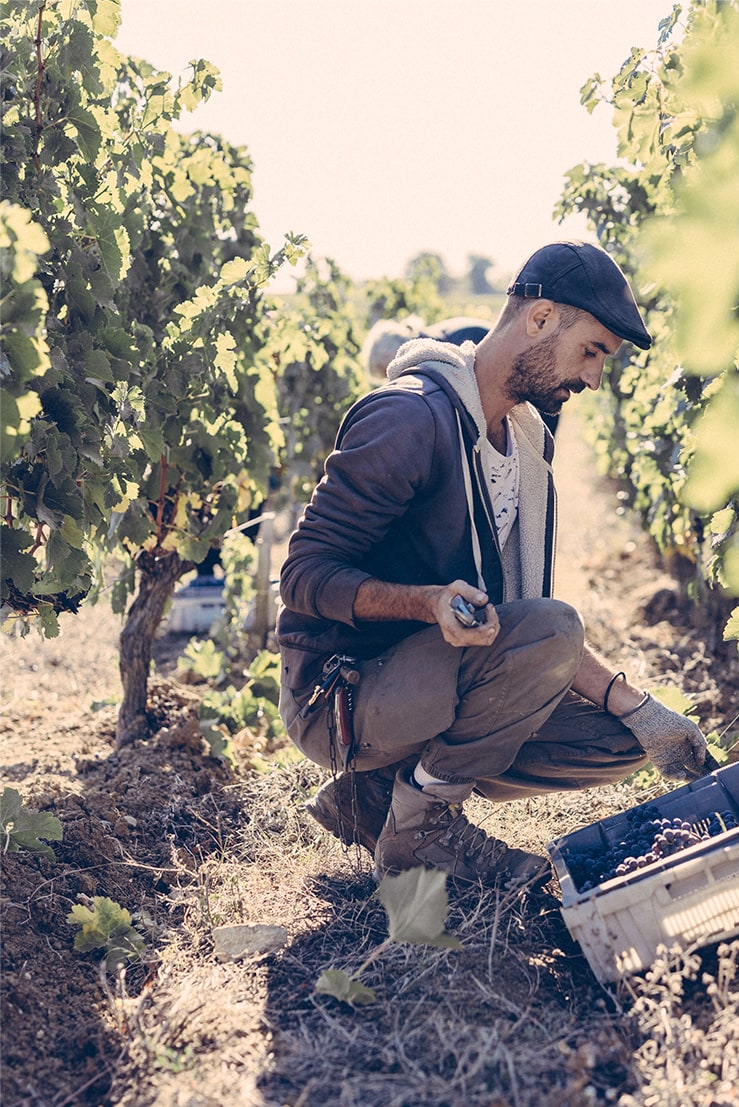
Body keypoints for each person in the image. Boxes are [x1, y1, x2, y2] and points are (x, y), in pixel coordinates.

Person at [276, 240, 708, 890]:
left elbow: (515, 630)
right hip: (339, 696)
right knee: (557, 629)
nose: (594, 378)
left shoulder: (524, 443)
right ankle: (419, 834)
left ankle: (373, 802)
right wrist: (424, 602)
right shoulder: (410, 418)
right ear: (539, 318)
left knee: (620, 738)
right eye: (591, 351)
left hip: (431, 678)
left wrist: (639, 707)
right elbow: (303, 576)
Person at [362, 314, 561, 434]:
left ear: (396, 354)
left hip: (533, 415)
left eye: (388, 371)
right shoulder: (438, 340)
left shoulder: (446, 352)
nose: (396, 379)